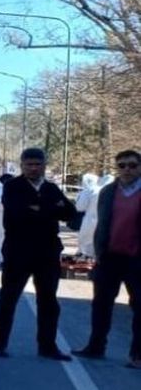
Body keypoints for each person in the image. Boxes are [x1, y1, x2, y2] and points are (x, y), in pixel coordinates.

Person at [0, 147, 79, 361]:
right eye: (28, 164)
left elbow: (70, 213)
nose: (33, 168)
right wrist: (50, 210)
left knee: (48, 301)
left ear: (44, 166)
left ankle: (47, 345)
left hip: (47, 252)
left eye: (37, 164)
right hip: (18, 251)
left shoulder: (51, 188)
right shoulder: (13, 186)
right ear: (21, 165)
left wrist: (41, 208)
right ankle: (0, 342)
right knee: (9, 298)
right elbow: (18, 213)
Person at [74, 150, 141, 366]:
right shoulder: (108, 192)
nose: (127, 170)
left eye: (132, 165)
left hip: (137, 259)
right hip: (110, 256)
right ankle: (95, 347)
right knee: (101, 304)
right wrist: (98, 251)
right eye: (122, 166)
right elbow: (101, 223)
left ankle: (137, 355)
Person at [76, 172, 103, 259]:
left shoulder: (88, 191)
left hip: (89, 220)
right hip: (102, 220)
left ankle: (86, 260)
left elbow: (80, 207)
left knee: (85, 241)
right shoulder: (102, 189)